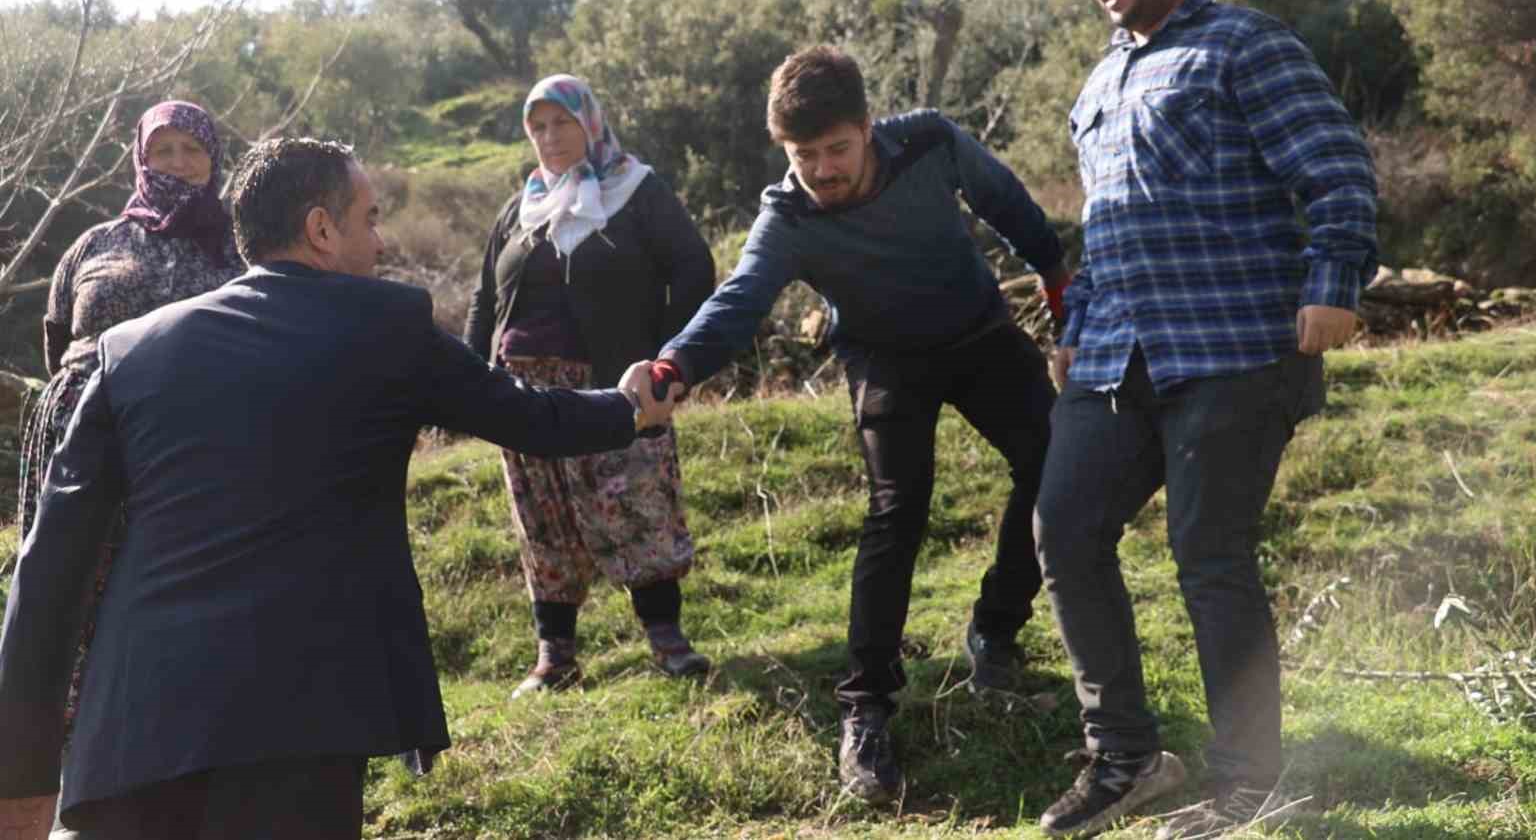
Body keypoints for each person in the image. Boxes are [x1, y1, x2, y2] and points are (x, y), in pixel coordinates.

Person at [0, 138, 676, 840]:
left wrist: (17, 777)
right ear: (322, 230)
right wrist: (629, 407)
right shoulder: (384, 328)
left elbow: (46, 570)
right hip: (296, 734)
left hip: (127, 739)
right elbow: (531, 416)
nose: (382, 242)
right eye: (371, 218)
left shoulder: (129, 351)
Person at [1029, 0, 1379, 839]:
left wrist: (1332, 282)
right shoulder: (1099, 83)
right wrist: (1074, 325)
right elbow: (1106, 229)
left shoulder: (1247, 45)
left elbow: (1336, 163)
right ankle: (1127, 759)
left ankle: (1250, 786)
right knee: (1063, 532)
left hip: (1233, 347)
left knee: (1209, 556)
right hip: (1115, 356)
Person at [651, 46, 1070, 804]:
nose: (823, 170)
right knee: (896, 510)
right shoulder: (789, 215)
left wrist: (1057, 278)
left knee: (1054, 461)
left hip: (979, 333)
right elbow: (740, 298)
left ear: (868, 127)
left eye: (836, 149)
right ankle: (867, 708)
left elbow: (1008, 204)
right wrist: (673, 367)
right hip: (885, 358)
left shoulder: (932, 143)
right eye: (803, 154)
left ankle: (996, 631)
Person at [464, 74, 716, 696]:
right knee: (541, 517)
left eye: (562, 123)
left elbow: (693, 268)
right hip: (521, 391)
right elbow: (485, 297)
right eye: (538, 126)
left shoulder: (637, 190)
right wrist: (470, 381)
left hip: (615, 386)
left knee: (636, 502)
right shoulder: (519, 207)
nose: (549, 138)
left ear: (590, 124)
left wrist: (667, 363)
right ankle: (556, 657)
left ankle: (667, 639)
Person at [14, 101, 244, 764]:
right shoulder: (97, 242)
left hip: (188, 445)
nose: (175, 163)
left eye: (191, 150)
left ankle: (168, 748)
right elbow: (58, 336)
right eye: (161, 150)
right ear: (139, 158)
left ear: (214, 161)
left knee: (166, 588)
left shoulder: (238, 244)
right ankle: (66, 749)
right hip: (82, 442)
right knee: (71, 584)